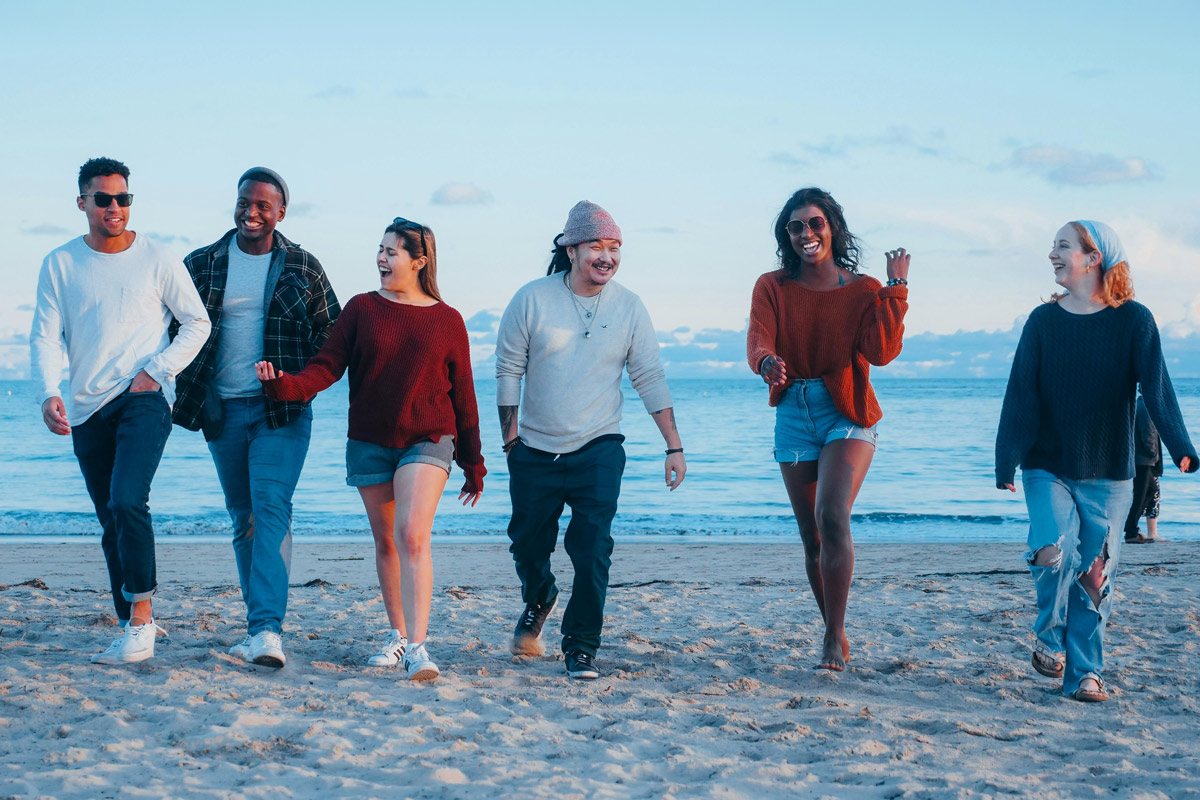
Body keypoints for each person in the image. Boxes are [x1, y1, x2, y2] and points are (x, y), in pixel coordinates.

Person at [255, 217, 485, 681]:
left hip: (429, 437)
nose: (382, 258)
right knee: (386, 543)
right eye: (380, 249)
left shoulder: (447, 319)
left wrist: (472, 462)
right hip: (369, 441)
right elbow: (326, 368)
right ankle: (398, 637)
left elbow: (463, 392)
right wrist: (284, 385)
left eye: (392, 251)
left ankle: (419, 648)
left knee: (412, 536)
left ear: (419, 261)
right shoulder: (361, 309)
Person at [996, 220, 1196, 702]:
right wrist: (1008, 457)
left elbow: (1158, 387)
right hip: (1048, 463)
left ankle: (1086, 673)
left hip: (1110, 472)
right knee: (1050, 549)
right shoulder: (1042, 322)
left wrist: (1182, 446)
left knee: (1095, 575)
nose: (1052, 255)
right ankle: (1049, 635)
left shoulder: (1134, 320)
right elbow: (1021, 393)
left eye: (1063, 246)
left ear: (1094, 257)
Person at [29, 157, 211, 664]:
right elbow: (44, 336)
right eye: (104, 198)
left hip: (143, 398)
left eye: (123, 198)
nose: (115, 207)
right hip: (87, 407)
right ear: (83, 202)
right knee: (111, 518)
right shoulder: (60, 263)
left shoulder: (157, 257)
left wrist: (157, 371)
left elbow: (197, 323)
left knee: (129, 499)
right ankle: (134, 618)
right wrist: (48, 392)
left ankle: (142, 621)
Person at [496, 201, 686, 680]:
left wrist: (674, 446)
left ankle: (581, 646)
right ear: (571, 248)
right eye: (597, 247)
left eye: (615, 248)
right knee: (527, 544)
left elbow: (648, 375)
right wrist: (510, 439)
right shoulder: (532, 298)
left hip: (600, 445)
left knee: (592, 546)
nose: (607, 256)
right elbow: (508, 370)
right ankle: (539, 597)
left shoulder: (629, 306)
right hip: (534, 449)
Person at [172, 168, 340, 669]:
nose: (251, 211)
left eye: (263, 205)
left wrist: (294, 379)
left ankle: (267, 630)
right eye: (244, 202)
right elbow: (165, 327)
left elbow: (331, 337)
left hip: (281, 410)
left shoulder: (303, 266)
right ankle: (258, 626)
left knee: (270, 509)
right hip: (221, 411)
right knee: (243, 519)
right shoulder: (200, 264)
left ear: (280, 212)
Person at [746, 187, 909, 672]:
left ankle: (833, 641)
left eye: (815, 223)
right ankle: (833, 628)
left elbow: (881, 353)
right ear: (787, 236)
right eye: (796, 227)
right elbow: (759, 338)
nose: (806, 234)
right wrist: (767, 363)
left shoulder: (862, 289)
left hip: (848, 411)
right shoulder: (771, 286)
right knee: (812, 538)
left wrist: (895, 291)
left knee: (832, 514)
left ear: (832, 227)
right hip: (794, 412)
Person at [1124, 395, 1164, 544]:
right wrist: (1153, 454)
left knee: (1150, 491)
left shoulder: (1140, 405)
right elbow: (1148, 434)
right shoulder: (1146, 407)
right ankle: (1130, 532)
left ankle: (1131, 528)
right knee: (1140, 495)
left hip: (1141, 459)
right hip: (1143, 460)